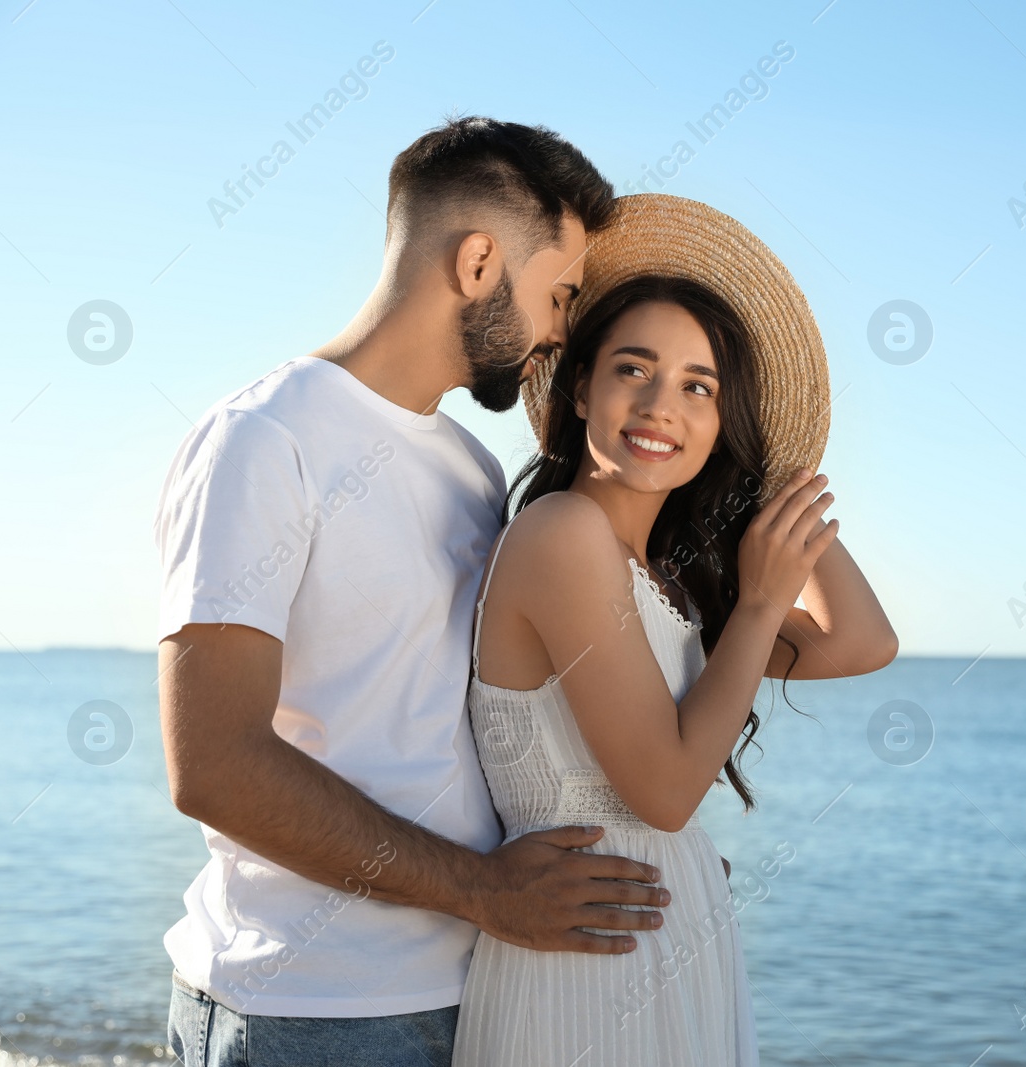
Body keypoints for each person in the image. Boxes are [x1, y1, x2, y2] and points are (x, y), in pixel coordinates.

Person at [153, 117, 673, 1067]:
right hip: (305, 1014)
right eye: (556, 293)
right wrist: (483, 889)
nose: (561, 329)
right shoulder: (264, 441)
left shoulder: (474, 470)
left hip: (473, 992)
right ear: (479, 263)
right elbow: (214, 763)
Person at [451, 195, 898, 1065]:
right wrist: (763, 600)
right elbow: (664, 793)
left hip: (668, 942)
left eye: (700, 388)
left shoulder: (672, 589)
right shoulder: (562, 535)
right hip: (585, 969)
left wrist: (770, 478)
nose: (663, 405)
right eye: (634, 369)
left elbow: (861, 642)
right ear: (581, 386)